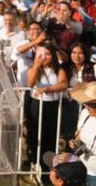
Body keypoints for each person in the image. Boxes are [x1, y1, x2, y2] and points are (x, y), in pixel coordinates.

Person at [26, 44, 68, 177]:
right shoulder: (33, 69)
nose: (44, 57)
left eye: (48, 54)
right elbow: (30, 84)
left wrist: (47, 89)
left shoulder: (58, 70)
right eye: (41, 55)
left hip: (53, 106)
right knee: (36, 135)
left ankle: (48, 168)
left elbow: (63, 84)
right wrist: (36, 65)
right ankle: (36, 164)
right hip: (37, 105)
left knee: (50, 136)